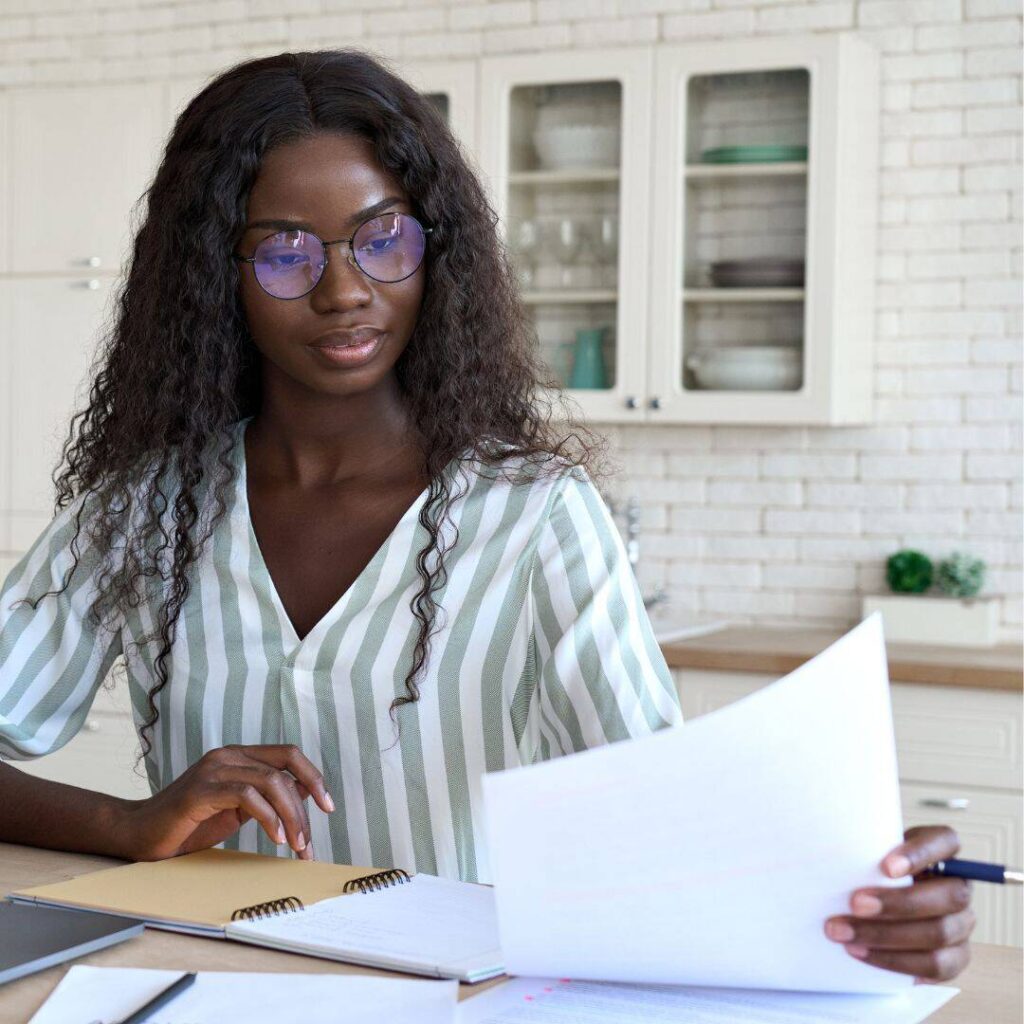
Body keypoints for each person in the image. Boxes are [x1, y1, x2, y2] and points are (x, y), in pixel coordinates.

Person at [0, 49, 973, 983]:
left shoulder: (535, 518)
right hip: (199, 990)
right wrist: (130, 825)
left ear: (436, 248)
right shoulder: (142, 514)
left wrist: (867, 896)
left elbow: (667, 807)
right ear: (216, 274)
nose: (346, 290)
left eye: (383, 238)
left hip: (463, 1001)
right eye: (286, 253)